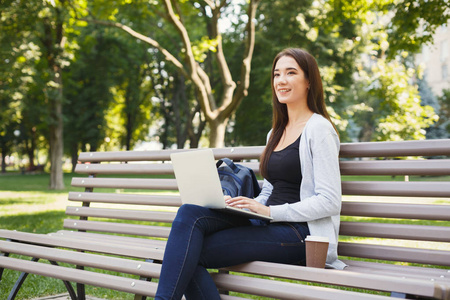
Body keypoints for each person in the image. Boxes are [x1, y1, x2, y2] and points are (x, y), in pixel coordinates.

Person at [155, 48, 346, 300]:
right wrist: (245, 206)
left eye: (291, 73)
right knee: (189, 212)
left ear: (309, 81)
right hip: (267, 223)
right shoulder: (275, 132)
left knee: (188, 252)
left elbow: (330, 200)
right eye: (277, 74)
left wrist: (270, 212)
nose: (281, 80)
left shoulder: (319, 129)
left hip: (301, 234)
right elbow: (270, 188)